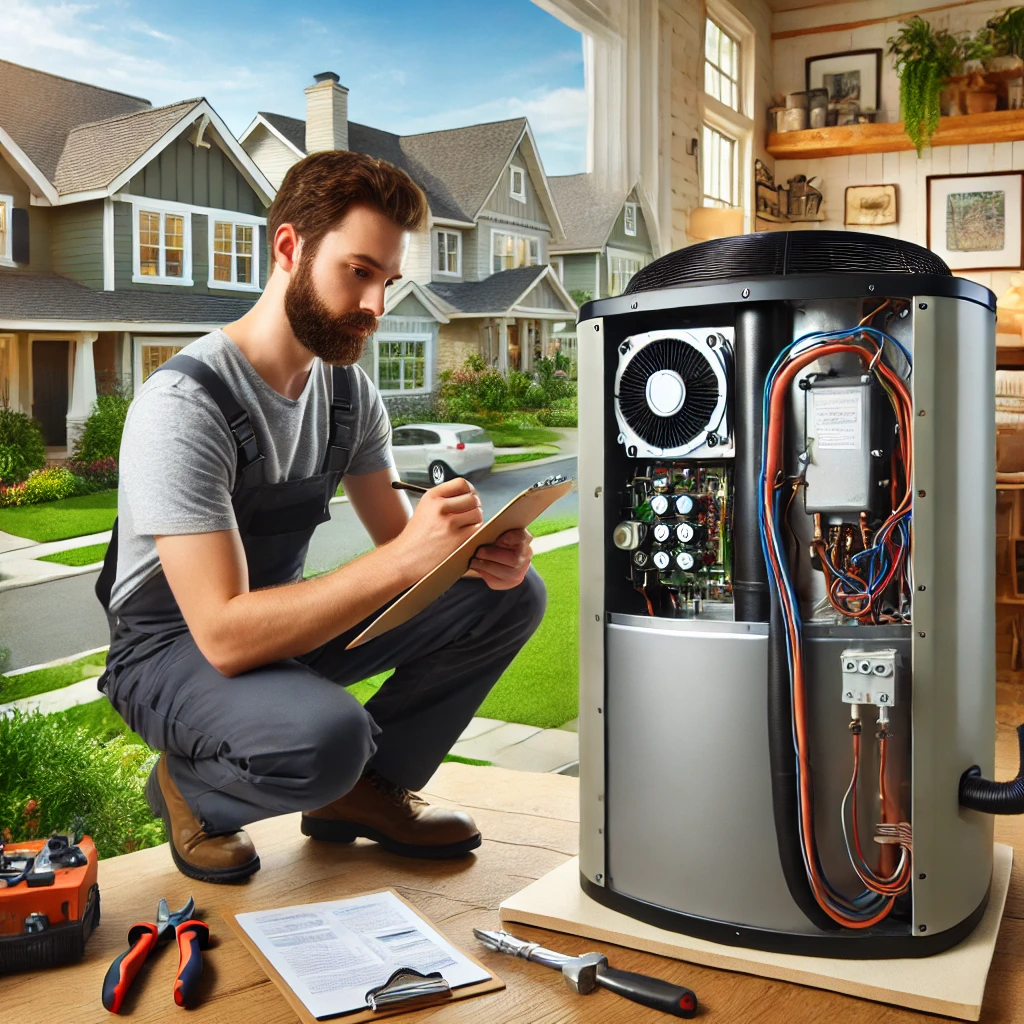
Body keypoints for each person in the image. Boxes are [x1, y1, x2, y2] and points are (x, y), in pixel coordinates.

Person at [95, 151, 546, 884]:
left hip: (277, 631)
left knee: (507, 597)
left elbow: (405, 557)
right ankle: (194, 787)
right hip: (173, 651)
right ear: (287, 249)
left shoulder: (348, 397)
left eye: (387, 282)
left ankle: (362, 796)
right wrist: (406, 559)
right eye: (358, 271)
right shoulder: (185, 406)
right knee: (327, 737)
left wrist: (477, 556)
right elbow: (223, 633)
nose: (375, 305)